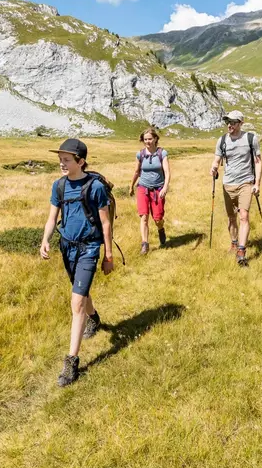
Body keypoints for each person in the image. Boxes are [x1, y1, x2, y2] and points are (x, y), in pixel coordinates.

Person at [40, 138, 115, 386]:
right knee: (80, 294)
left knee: (76, 301)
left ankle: (71, 362)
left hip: (89, 248)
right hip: (67, 247)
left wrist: (108, 255)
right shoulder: (58, 186)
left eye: (67, 159)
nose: (62, 163)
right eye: (60, 159)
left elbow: (105, 222)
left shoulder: (95, 187)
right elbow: (53, 217)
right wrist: (45, 240)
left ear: (80, 161)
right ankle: (93, 318)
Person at [209, 110, 262, 267]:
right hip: (227, 184)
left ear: (241, 123)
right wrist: (213, 168)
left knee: (243, 216)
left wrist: (257, 183)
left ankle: (241, 251)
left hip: (246, 182)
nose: (229, 125)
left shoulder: (251, 139)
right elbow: (217, 159)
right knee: (231, 218)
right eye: (228, 122)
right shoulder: (222, 140)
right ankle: (233, 242)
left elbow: (258, 162)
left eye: (233, 122)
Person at [129, 127, 171, 255]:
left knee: (157, 218)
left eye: (150, 139)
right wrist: (131, 186)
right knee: (144, 217)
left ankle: (161, 228)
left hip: (158, 189)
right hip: (142, 188)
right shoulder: (140, 154)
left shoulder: (162, 153)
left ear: (155, 139)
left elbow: (168, 172)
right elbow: (137, 171)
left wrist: (165, 187)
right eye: (145, 139)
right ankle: (145, 244)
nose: (147, 141)